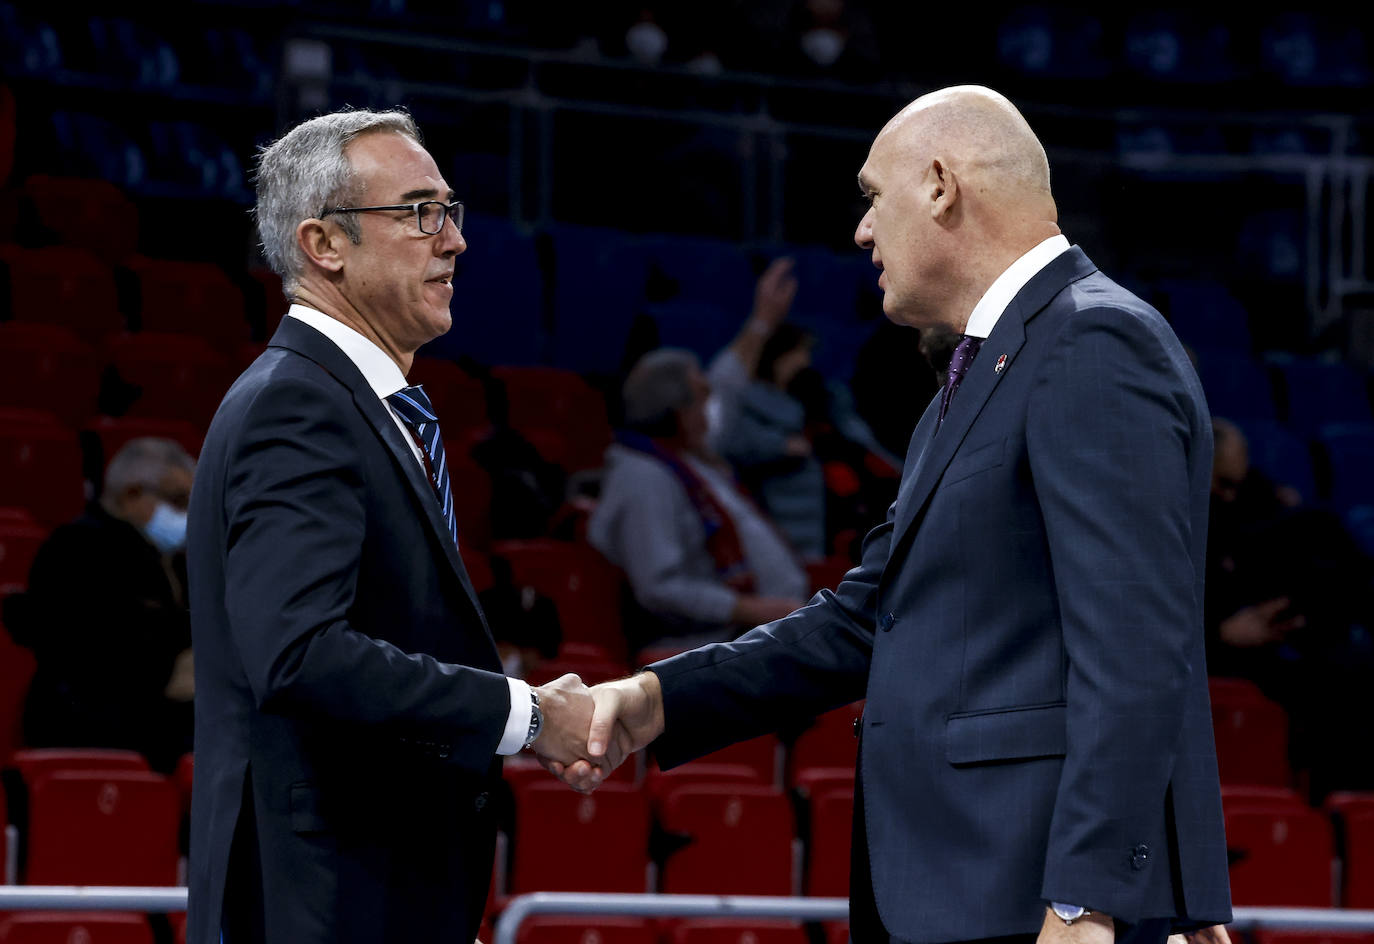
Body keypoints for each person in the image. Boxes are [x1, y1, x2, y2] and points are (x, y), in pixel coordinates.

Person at [558, 86, 1234, 944]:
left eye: (874, 197)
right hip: (963, 893)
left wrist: (1089, 896)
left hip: (1037, 905)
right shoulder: (978, 374)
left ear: (943, 186)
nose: (862, 231)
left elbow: (1137, 645)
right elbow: (864, 619)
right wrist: (655, 701)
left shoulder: (1093, 342)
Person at [186, 108, 600, 944]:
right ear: (324, 244)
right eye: (418, 212)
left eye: (450, 210)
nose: (453, 241)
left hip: (374, 892)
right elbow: (298, 653)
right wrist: (521, 716)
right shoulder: (299, 405)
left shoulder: (350, 404)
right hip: (321, 901)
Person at [588, 348, 809, 654]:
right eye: (702, 402)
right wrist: (750, 609)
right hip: (702, 646)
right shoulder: (644, 476)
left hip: (755, 632)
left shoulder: (686, 459)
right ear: (678, 411)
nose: (708, 417)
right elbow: (659, 588)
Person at [3, 437, 195, 771]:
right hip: (90, 729)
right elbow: (90, 655)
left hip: (165, 728)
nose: (187, 514)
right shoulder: (74, 549)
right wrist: (168, 673)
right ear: (131, 494)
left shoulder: (177, 561)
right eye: (178, 500)